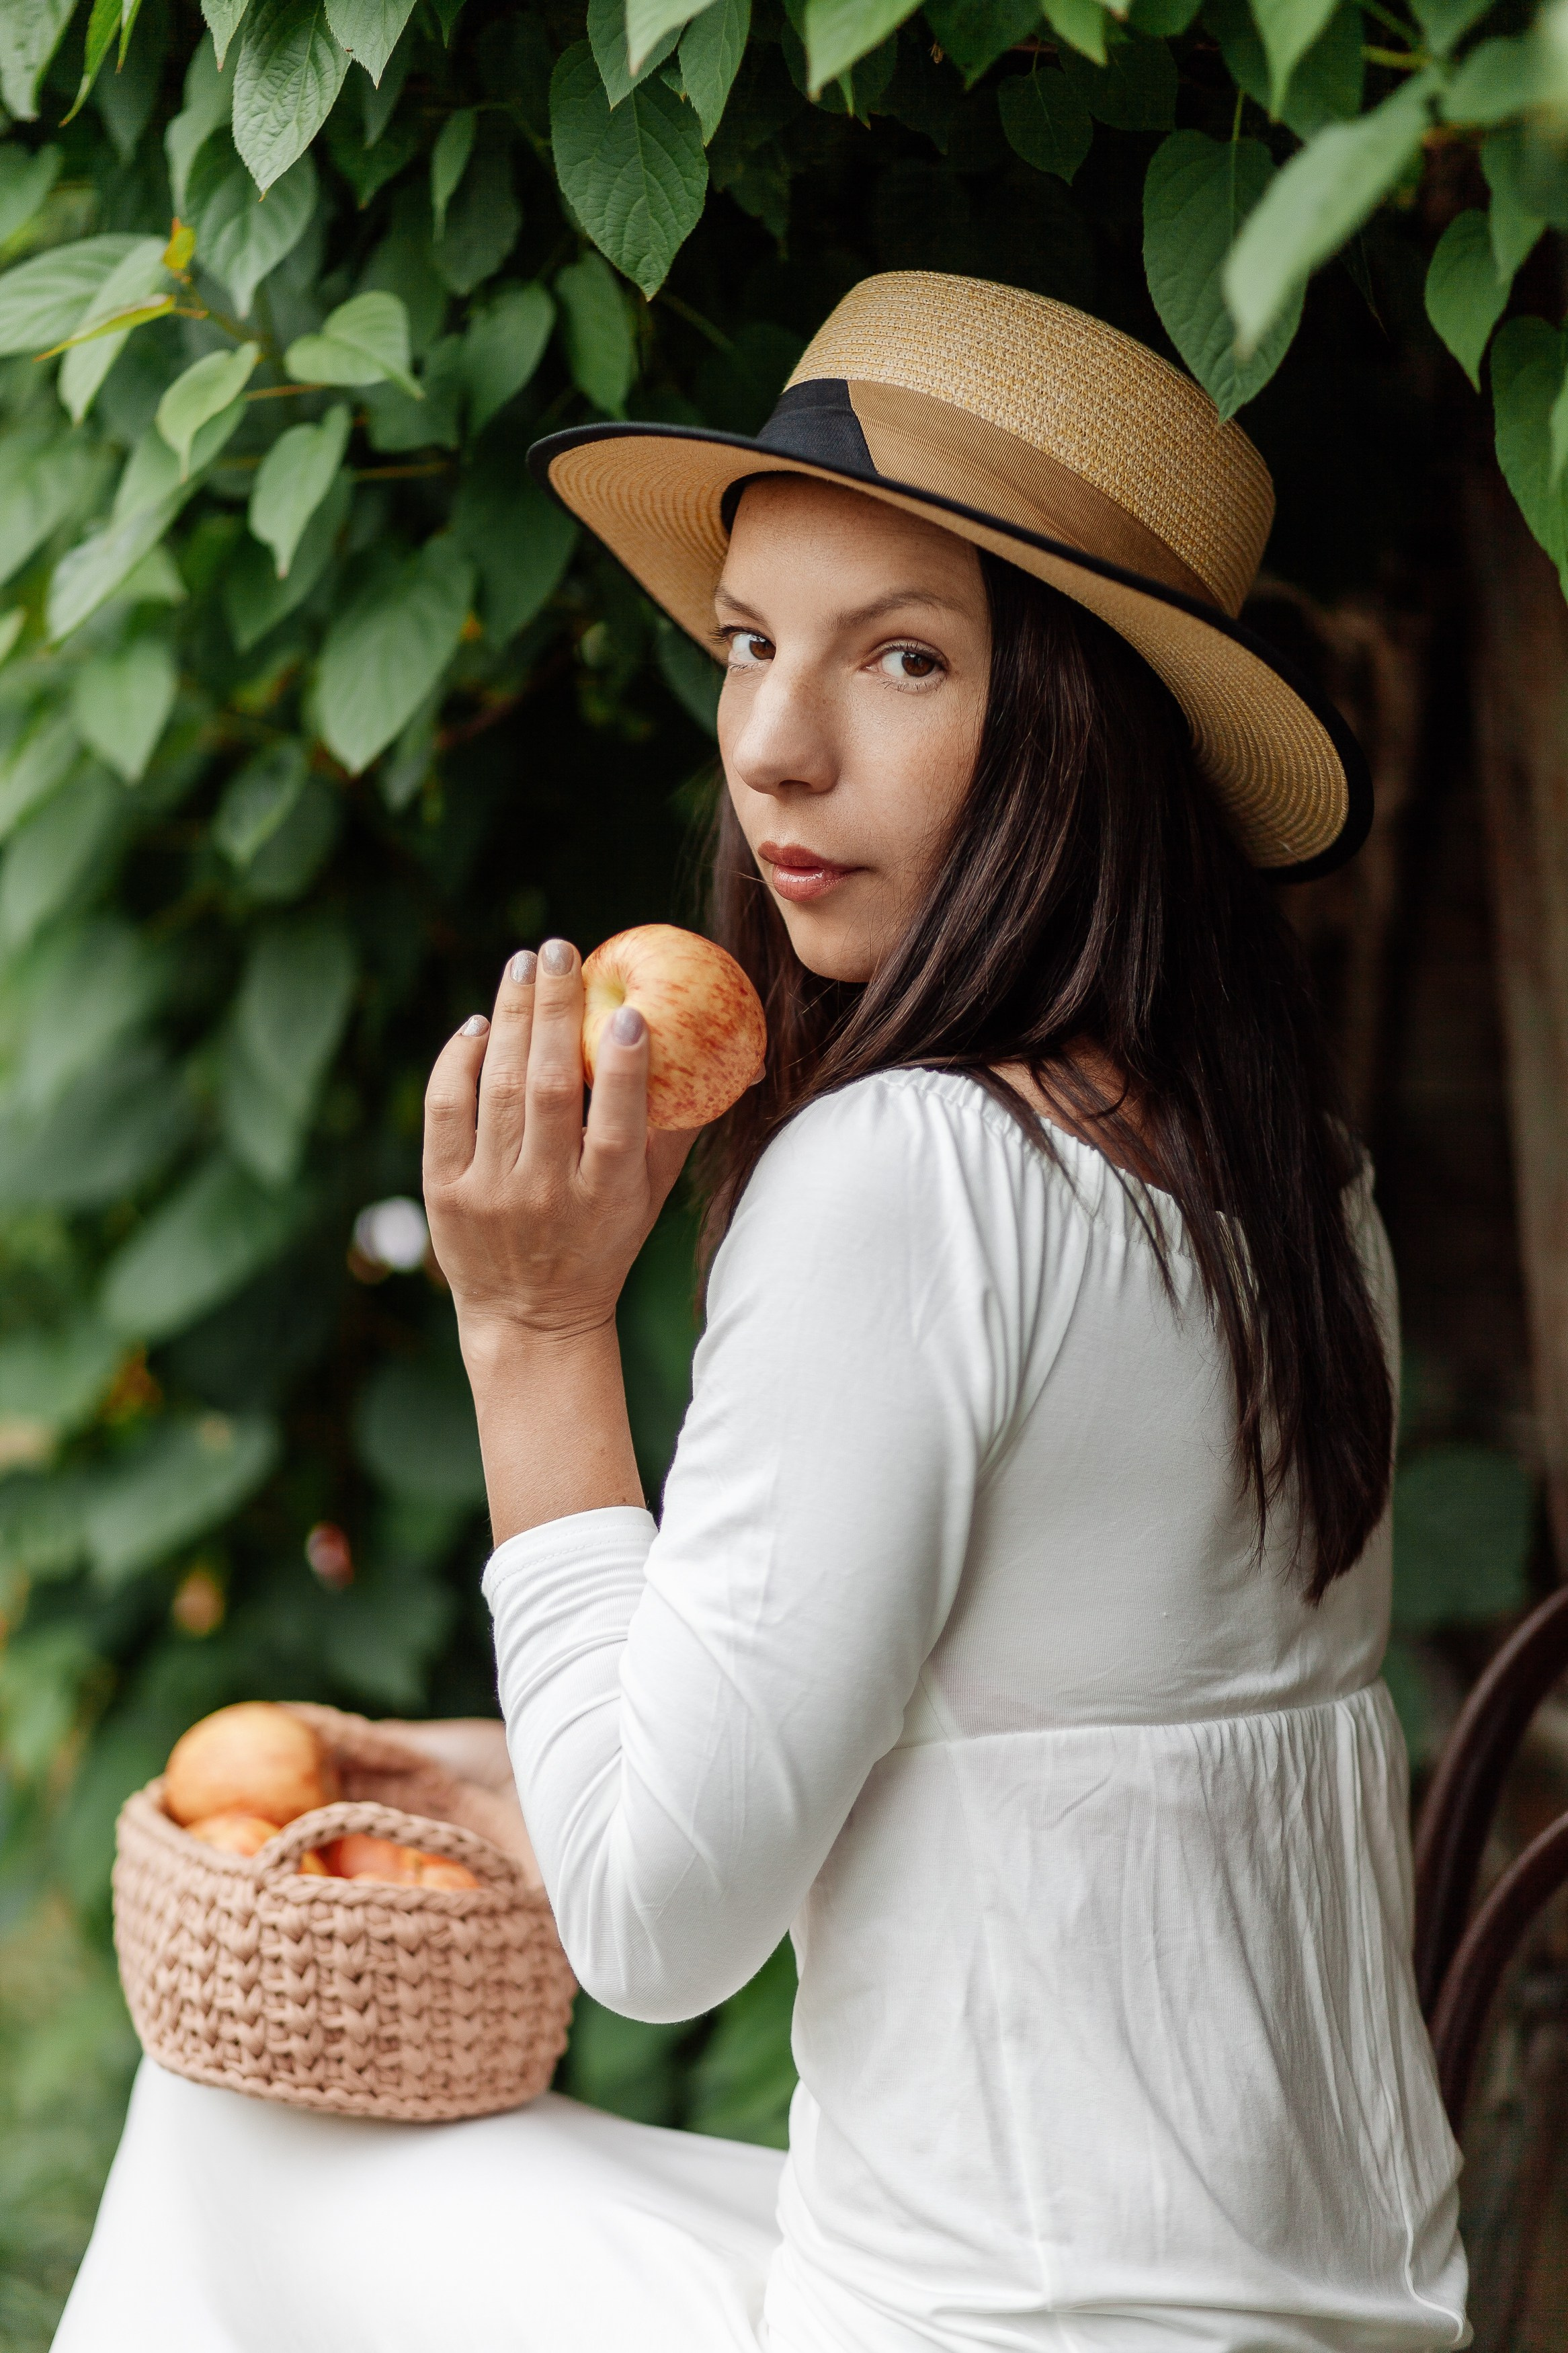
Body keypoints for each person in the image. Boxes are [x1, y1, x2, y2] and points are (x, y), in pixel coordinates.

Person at [56, 272, 1468, 2353]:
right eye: (748, 645)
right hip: (1301, 2305)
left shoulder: (904, 1172)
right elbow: (1019, 1749)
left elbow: (653, 1931)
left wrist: (531, 1331)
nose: (777, 748)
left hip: (990, 2323)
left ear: (1086, 726)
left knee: (228, 2140)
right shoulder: (1292, 1187)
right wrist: (484, 1767)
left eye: (905, 658)